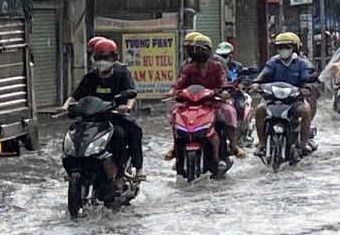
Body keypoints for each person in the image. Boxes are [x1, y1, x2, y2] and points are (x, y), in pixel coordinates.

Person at [61, 38, 145, 181]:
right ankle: (75, 166)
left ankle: (132, 170)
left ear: (114, 58)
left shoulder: (121, 74)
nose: (102, 61)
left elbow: (131, 93)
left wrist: (126, 107)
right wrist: (65, 106)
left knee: (126, 133)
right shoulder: (90, 77)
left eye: (105, 58)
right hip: (93, 118)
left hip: (115, 117)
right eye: (99, 57)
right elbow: (76, 96)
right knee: (74, 136)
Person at [165, 34, 244, 161]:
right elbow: (180, 82)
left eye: (203, 49)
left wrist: (224, 91)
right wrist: (172, 91)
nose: (200, 53)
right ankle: (177, 149)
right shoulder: (188, 67)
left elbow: (223, 80)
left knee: (225, 117)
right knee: (175, 117)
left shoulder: (217, 65)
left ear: (209, 50)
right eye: (197, 49)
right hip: (191, 103)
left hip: (213, 102)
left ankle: (230, 147)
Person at [251, 32, 316, 156]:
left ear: (293, 48)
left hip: (294, 100)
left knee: (305, 111)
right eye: (280, 47)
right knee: (259, 110)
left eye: (286, 47)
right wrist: (256, 83)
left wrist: (307, 87)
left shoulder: (301, 63)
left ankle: (304, 142)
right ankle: (262, 143)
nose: (283, 50)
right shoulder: (273, 62)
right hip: (273, 99)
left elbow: (306, 76)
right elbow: (264, 73)